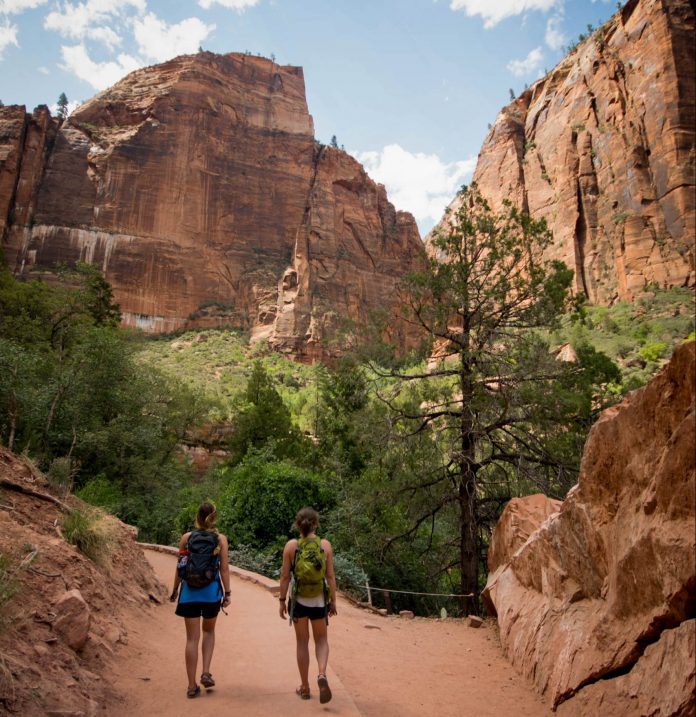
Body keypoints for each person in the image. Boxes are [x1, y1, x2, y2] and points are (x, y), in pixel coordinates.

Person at [170, 502, 231, 698]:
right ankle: (206, 671)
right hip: (211, 594)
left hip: (189, 595)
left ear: (197, 517)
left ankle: (191, 685)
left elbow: (181, 567)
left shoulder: (186, 538)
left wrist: (175, 590)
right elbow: (224, 569)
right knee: (209, 631)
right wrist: (227, 593)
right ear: (214, 518)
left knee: (191, 639)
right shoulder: (220, 539)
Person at [279, 507, 338, 704]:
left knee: (302, 642)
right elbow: (330, 576)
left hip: (299, 601)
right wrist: (333, 601)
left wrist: (281, 602)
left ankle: (304, 687)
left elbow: (285, 577)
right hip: (319, 600)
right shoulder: (325, 545)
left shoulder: (291, 546)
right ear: (316, 523)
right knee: (321, 639)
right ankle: (321, 674)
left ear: (298, 524)